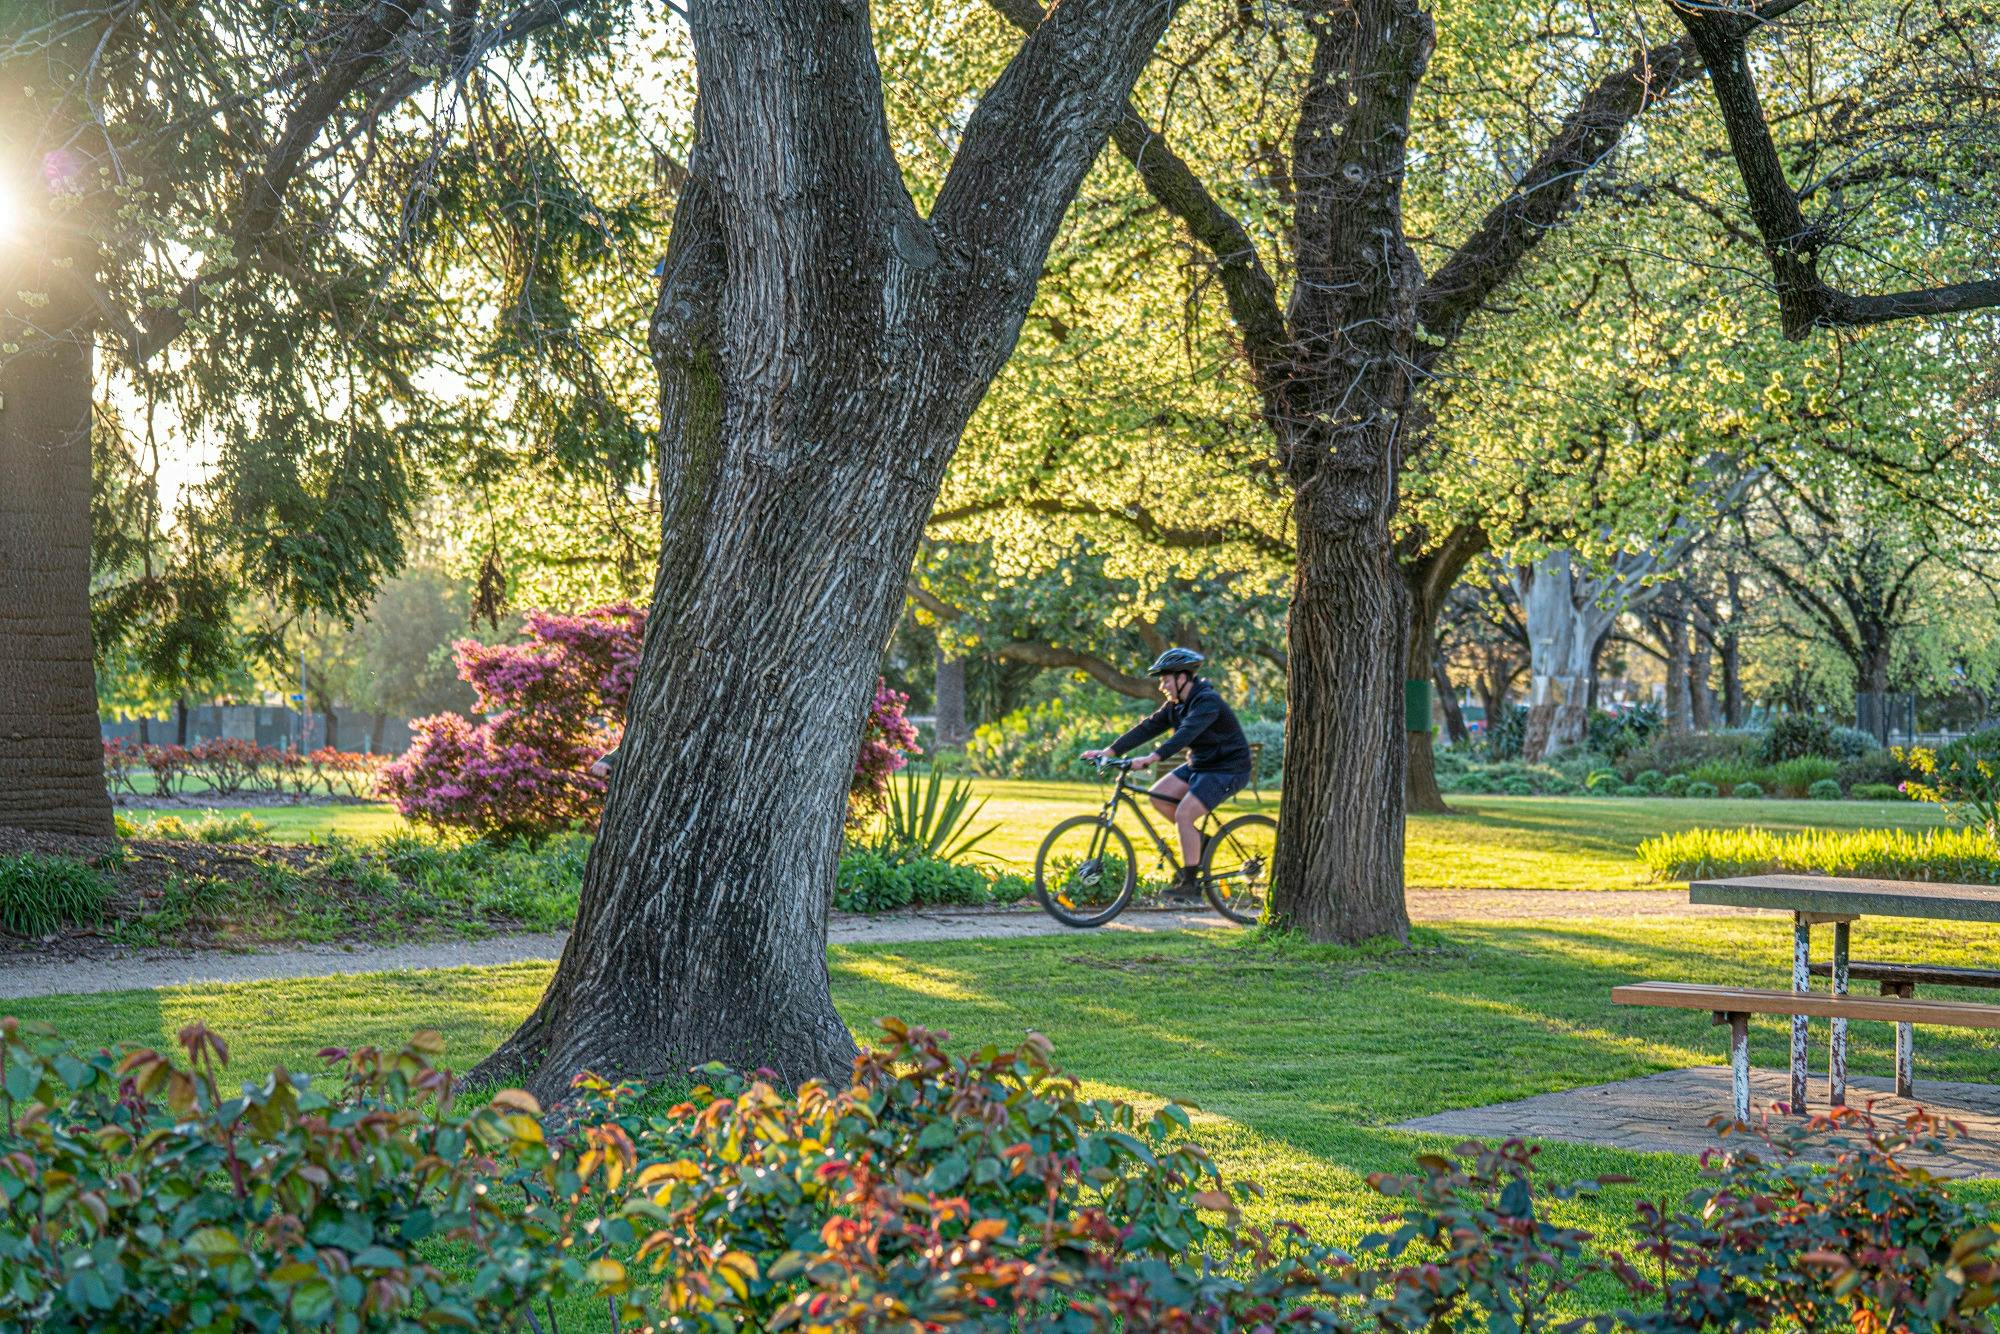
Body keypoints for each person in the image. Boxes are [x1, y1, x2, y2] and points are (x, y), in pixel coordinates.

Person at [1082, 647, 1253, 905]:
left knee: (1184, 814)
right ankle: (1200, 844)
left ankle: (1190, 885)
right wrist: (1109, 751)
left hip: (1228, 769)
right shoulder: (1176, 705)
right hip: (1201, 765)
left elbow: (1186, 734)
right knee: (1158, 796)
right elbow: (1147, 727)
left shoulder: (1207, 701)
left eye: (1165, 679)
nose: (1162, 685)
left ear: (1182, 677)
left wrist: (1152, 758)